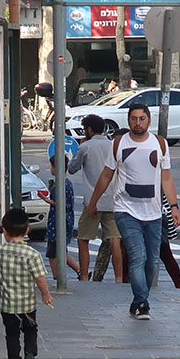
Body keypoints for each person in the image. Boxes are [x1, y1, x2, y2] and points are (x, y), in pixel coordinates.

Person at [86, 103, 180, 320]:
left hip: (154, 213)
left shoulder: (160, 144)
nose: (138, 122)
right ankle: (142, 303)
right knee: (138, 257)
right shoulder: (119, 143)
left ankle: (139, 298)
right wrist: (93, 202)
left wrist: (174, 207)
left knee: (152, 262)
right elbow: (106, 175)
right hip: (126, 211)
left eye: (142, 118)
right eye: (133, 118)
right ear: (128, 121)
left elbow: (166, 178)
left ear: (148, 120)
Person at [0, 208, 53, 359]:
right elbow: (39, 278)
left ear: (4, 231)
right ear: (27, 230)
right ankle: (30, 355)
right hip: (28, 305)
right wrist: (45, 294)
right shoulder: (32, 254)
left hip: (8, 306)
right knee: (30, 330)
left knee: (12, 335)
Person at [68, 115, 123, 282]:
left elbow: (72, 168)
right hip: (112, 200)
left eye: (85, 129)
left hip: (92, 202)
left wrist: (82, 144)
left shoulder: (86, 147)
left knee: (83, 238)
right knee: (114, 239)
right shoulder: (113, 145)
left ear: (90, 129)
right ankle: (118, 278)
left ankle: (84, 275)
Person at [39, 157, 80, 280]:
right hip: (65, 220)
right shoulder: (66, 183)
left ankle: (57, 277)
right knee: (61, 249)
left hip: (57, 222)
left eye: (52, 166)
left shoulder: (62, 184)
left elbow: (60, 203)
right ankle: (79, 271)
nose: (51, 169)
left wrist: (45, 199)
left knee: (53, 251)